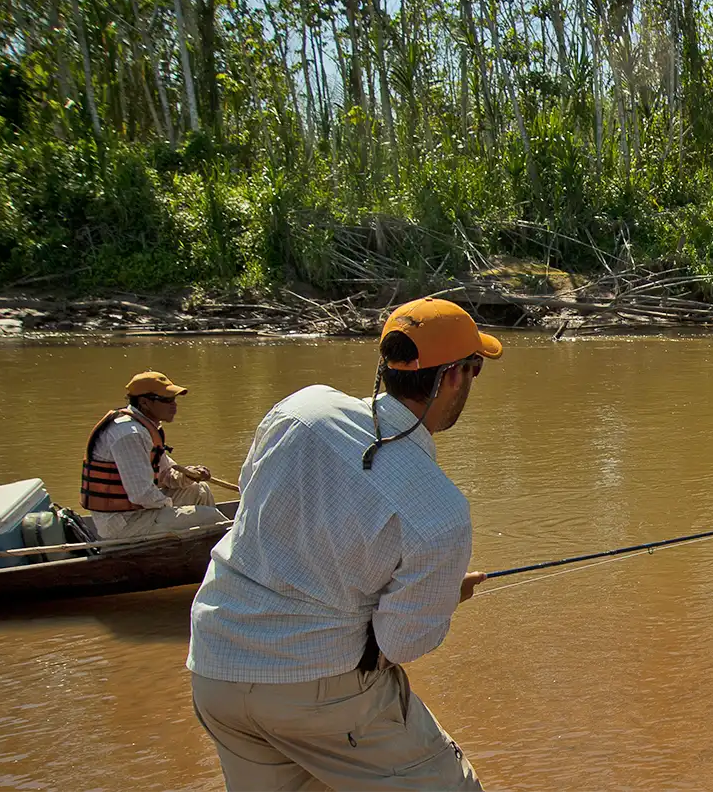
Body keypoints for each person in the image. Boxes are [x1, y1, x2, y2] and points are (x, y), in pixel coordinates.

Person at [188, 297, 502, 791]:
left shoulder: (301, 409)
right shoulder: (440, 512)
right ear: (454, 376)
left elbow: (255, 501)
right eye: (474, 368)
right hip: (317, 690)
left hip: (215, 664)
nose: (472, 380)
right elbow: (399, 643)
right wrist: (440, 598)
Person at [81, 371, 228, 540]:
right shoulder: (129, 434)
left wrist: (189, 475)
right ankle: (218, 547)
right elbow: (141, 494)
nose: (174, 405)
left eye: (174, 399)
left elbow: (167, 475)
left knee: (199, 490)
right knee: (211, 518)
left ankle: (201, 545)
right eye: (166, 400)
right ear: (144, 402)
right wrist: (170, 507)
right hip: (124, 523)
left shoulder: (146, 428)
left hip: (139, 511)